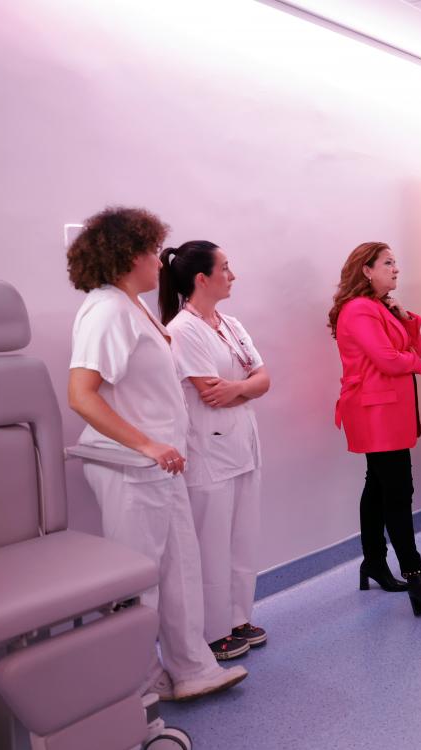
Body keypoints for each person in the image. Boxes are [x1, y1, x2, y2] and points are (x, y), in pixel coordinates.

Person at [66, 206, 247, 701]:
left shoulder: (134, 307)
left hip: (161, 466)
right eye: (151, 252)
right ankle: (140, 683)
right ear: (129, 256)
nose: (157, 262)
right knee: (139, 580)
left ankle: (191, 667)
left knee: (179, 569)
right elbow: (81, 395)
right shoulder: (106, 310)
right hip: (132, 466)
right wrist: (146, 444)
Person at [159, 241, 271, 661]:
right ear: (201, 279)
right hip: (208, 453)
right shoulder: (183, 329)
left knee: (243, 540)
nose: (233, 275)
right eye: (225, 268)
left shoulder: (231, 324)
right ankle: (212, 631)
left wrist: (240, 388)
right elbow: (211, 394)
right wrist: (247, 388)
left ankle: (239, 617)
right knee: (210, 547)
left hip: (242, 446)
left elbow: (264, 379)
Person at [330, 241, 421, 616]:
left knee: (379, 487)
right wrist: (412, 360)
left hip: (388, 410)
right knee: (398, 491)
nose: (396, 269)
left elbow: (410, 346)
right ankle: (415, 575)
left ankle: (374, 563)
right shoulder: (358, 309)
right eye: (388, 263)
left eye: (395, 263)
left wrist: (404, 318)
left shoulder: (380, 307)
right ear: (366, 270)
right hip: (374, 413)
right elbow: (388, 359)